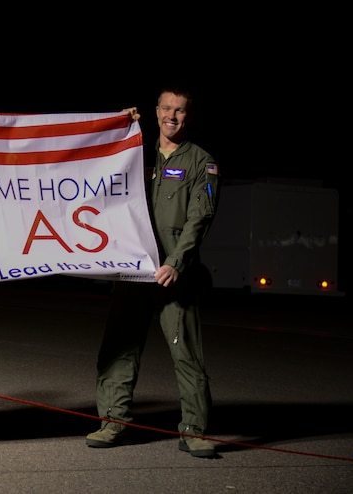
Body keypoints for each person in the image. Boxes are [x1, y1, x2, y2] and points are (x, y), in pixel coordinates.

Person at [85, 85, 220, 458]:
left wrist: (176, 262)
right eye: (165, 109)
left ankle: (193, 431)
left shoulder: (201, 162)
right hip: (134, 272)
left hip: (174, 275)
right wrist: (114, 127)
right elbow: (91, 166)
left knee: (187, 355)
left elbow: (200, 217)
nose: (171, 116)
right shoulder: (133, 152)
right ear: (155, 110)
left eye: (179, 111)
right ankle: (113, 423)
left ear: (188, 116)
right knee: (119, 349)